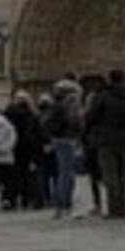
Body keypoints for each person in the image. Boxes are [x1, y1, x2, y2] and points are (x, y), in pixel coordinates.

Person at [85, 70, 125, 218]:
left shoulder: (103, 96)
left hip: (106, 140)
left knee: (110, 175)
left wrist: (89, 132)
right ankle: (123, 207)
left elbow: (92, 117)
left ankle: (114, 209)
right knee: (123, 174)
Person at [44, 80, 84, 218]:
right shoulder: (70, 105)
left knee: (63, 172)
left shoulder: (55, 104)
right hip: (68, 139)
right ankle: (64, 204)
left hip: (58, 140)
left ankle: (62, 204)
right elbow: (76, 122)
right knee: (67, 174)